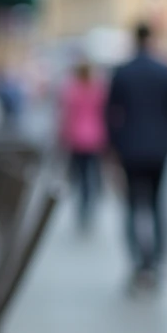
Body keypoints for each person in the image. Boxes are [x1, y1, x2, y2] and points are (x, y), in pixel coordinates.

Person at [105, 23, 167, 291]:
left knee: (131, 207)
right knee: (156, 206)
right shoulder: (165, 71)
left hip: (130, 148)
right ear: (150, 38)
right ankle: (156, 262)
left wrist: (113, 147)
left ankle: (138, 263)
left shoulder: (122, 72)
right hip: (158, 148)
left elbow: (110, 114)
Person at [58, 62, 107, 230]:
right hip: (95, 138)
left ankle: (82, 205)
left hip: (76, 139)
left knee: (78, 175)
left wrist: (62, 137)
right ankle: (87, 204)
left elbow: (66, 116)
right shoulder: (98, 90)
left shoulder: (71, 90)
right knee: (90, 175)